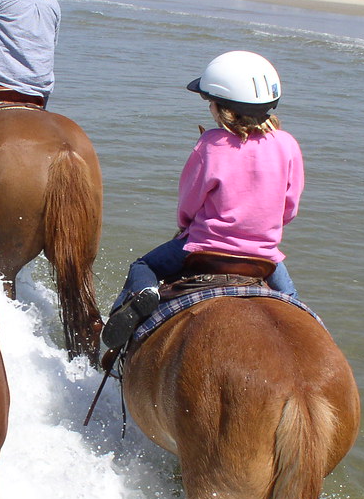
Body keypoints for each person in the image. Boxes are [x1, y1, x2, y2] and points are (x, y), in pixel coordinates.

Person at [101, 50, 304, 350]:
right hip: (265, 258)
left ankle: (132, 316)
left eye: (210, 101)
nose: (209, 106)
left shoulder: (210, 144)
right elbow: (289, 207)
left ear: (222, 108)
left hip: (203, 248)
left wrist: (186, 225)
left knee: (143, 266)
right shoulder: (287, 144)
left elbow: (189, 204)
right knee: (296, 312)